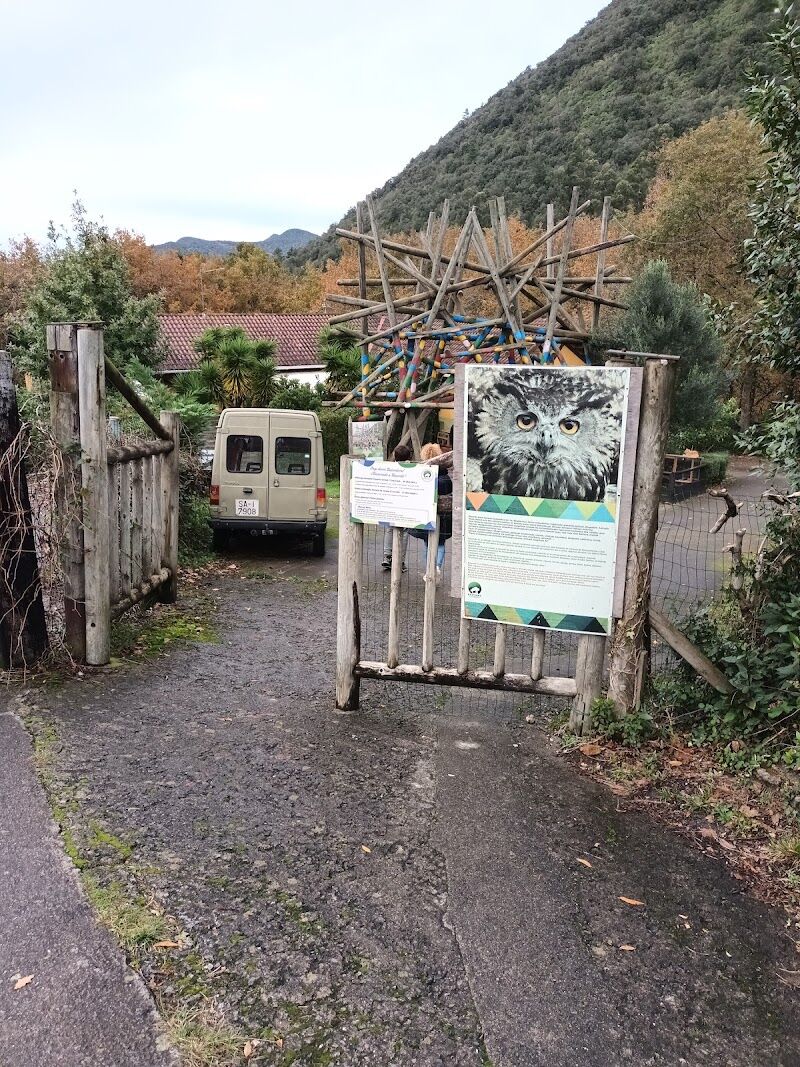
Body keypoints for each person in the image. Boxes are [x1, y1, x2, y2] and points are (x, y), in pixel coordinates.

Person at [412, 442, 453, 582]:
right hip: (444, 518)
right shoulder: (445, 477)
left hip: (426, 517)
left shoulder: (422, 475)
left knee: (427, 543)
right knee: (440, 543)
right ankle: (436, 567)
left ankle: (429, 569)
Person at [381, 443, 413, 571]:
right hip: (405, 506)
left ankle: (387, 556)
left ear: (395, 456)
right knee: (404, 532)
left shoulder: (389, 468)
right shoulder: (412, 468)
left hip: (391, 504)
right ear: (409, 457)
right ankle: (400, 560)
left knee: (389, 529)